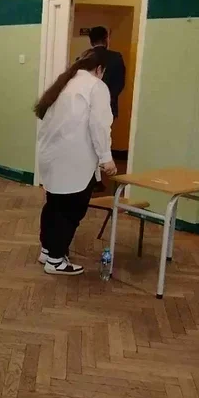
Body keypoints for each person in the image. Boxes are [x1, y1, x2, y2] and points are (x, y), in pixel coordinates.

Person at [35, 48, 116, 275]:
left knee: (54, 205)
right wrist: (106, 158)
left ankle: (47, 251)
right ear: (99, 69)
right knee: (71, 210)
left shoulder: (64, 83)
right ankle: (56, 260)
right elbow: (99, 126)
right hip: (74, 159)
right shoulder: (95, 86)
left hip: (52, 156)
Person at [88, 26, 126, 119]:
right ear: (106, 39)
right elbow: (120, 83)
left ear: (91, 41)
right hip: (109, 106)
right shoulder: (116, 57)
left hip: (88, 106)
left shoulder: (84, 57)